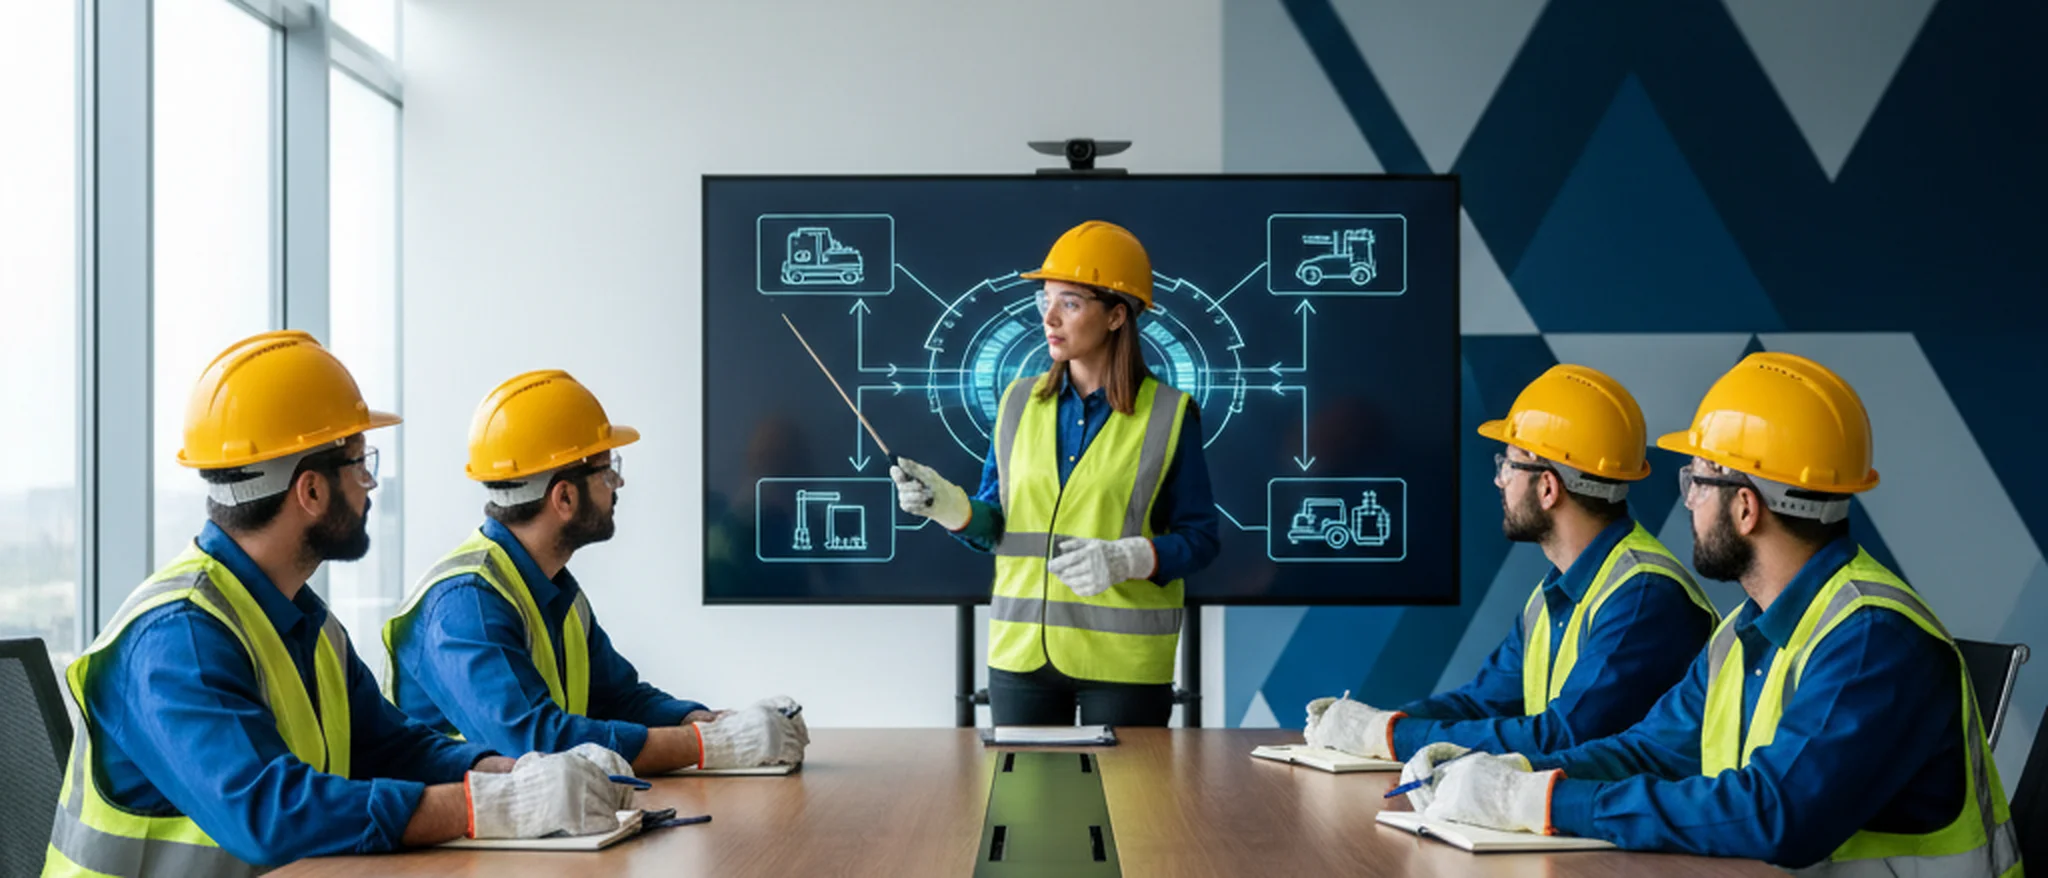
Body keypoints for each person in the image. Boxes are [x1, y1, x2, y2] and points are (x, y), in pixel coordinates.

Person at [1402, 353, 2022, 876]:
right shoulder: (1745, 630)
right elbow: (1650, 750)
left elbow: (1775, 815)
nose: (1690, 504)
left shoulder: (1872, 641)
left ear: (1746, 508)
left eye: (1697, 483)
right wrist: (1512, 773)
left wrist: (1541, 800)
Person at [44, 332, 633, 878]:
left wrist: (510, 773)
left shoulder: (301, 619)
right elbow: (271, 813)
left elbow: (390, 744)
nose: (370, 485)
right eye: (360, 462)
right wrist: (492, 807)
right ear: (311, 489)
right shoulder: (176, 641)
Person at [384, 370, 806, 773]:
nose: (617, 485)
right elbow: (535, 741)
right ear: (564, 497)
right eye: (606, 472)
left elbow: (619, 699)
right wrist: (712, 747)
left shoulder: (552, 589)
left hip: (536, 834)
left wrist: (712, 722)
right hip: (462, 842)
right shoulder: (464, 605)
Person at [891, 220, 1220, 726]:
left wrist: (1129, 557)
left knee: (1130, 807)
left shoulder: (1170, 414)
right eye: (1044, 300)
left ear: (1115, 316)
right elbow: (997, 524)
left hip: (1124, 665)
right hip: (1021, 654)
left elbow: (1201, 539)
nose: (1049, 318)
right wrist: (950, 508)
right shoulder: (1017, 403)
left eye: (1069, 302)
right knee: (1024, 807)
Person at [1302, 365, 1717, 761]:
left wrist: (1387, 736)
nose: (1499, 479)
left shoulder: (1643, 597)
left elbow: (1562, 736)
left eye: (1509, 464)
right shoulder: (1555, 594)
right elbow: (1481, 702)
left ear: (1548, 487)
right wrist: (1379, 723)